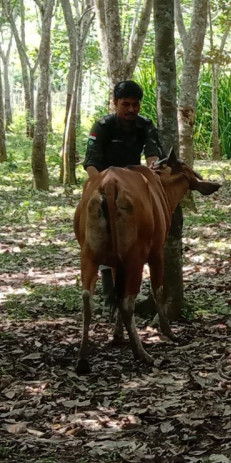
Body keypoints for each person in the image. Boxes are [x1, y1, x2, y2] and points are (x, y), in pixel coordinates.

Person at [83, 80, 164, 309]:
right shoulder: (102, 125)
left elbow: (152, 156)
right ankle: (108, 292)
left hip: (133, 183)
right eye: (125, 104)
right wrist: (98, 185)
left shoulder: (145, 125)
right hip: (103, 181)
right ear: (115, 103)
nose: (131, 110)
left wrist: (152, 167)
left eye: (135, 105)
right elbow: (91, 162)